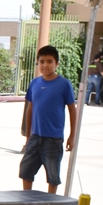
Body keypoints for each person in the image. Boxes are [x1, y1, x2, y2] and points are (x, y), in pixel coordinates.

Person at [20, 45, 77, 193]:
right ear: (38, 63)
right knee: (26, 171)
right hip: (35, 137)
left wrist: (72, 136)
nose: (45, 65)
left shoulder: (64, 84)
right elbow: (30, 110)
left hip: (53, 139)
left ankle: (50, 204)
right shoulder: (34, 83)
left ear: (56, 63)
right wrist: (28, 137)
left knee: (52, 175)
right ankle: (25, 201)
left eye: (49, 61)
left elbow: (72, 109)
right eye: (42, 61)